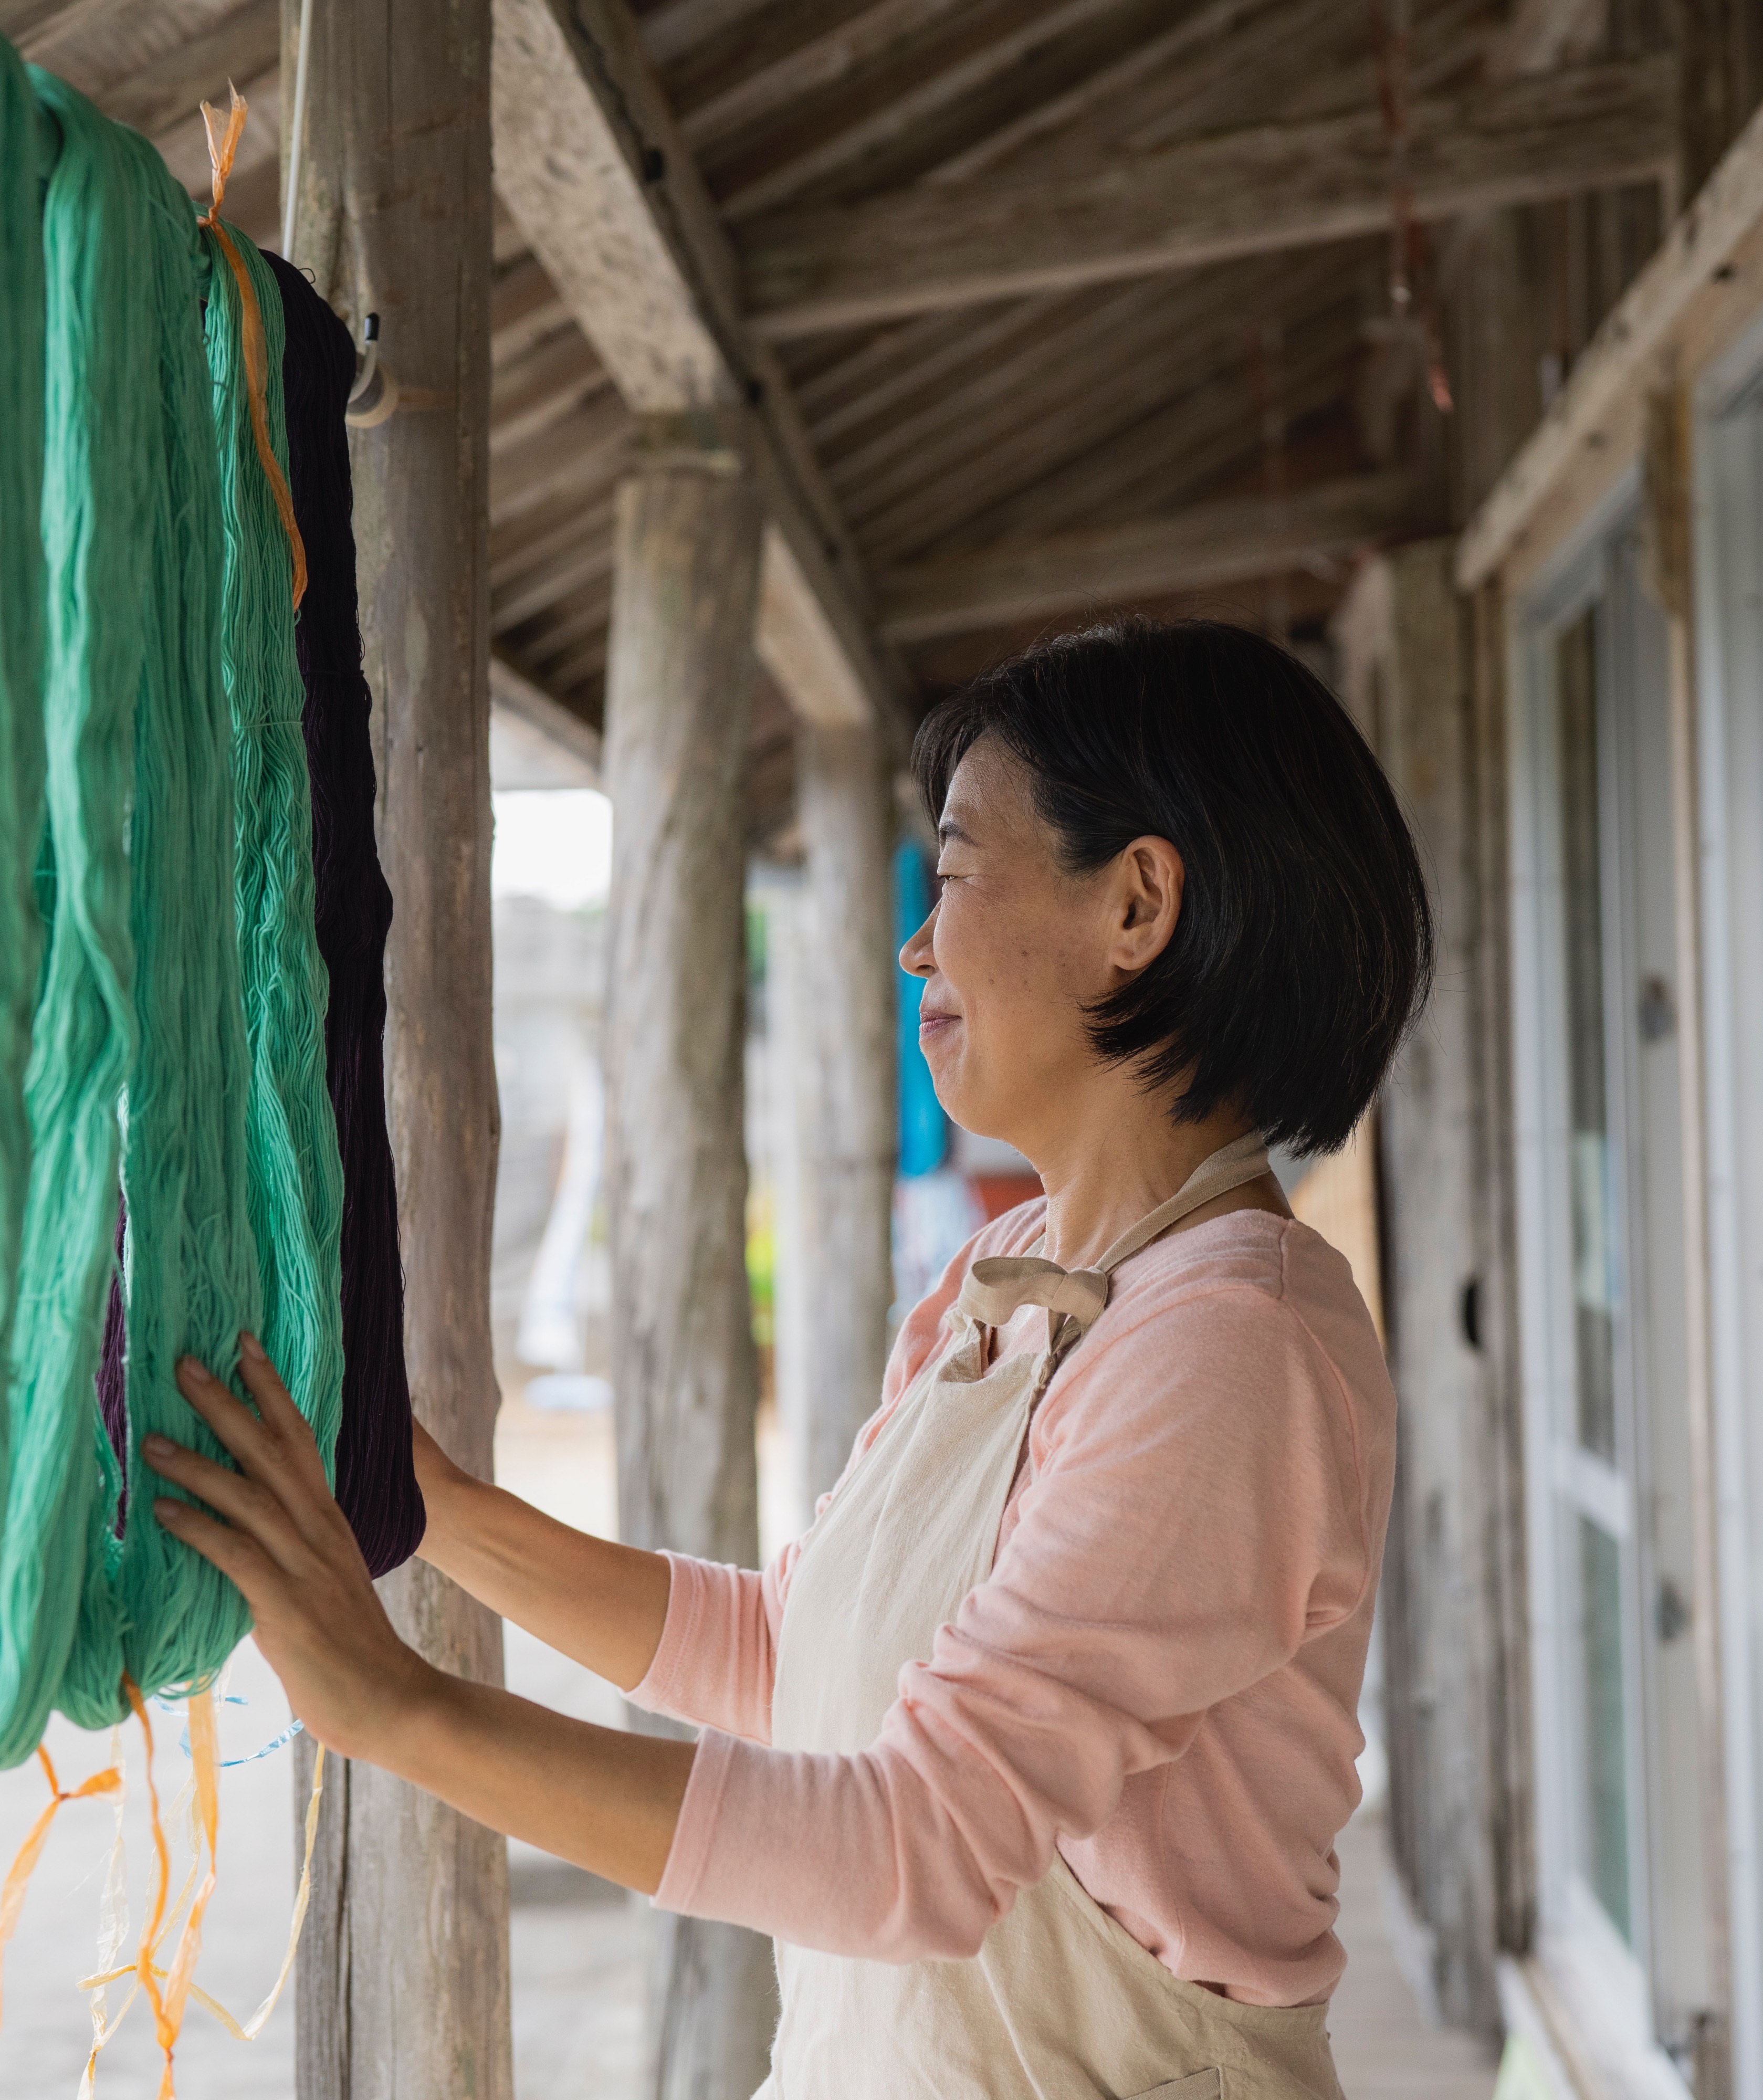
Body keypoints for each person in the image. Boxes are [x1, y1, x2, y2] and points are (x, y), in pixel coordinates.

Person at [148, 618, 1431, 2097]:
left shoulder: (1231, 1350)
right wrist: (428, 1505)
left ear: (1136, 904)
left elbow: (913, 1850)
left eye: (952, 873)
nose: (915, 941)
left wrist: (397, 1709)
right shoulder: (999, 1290)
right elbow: (793, 1659)